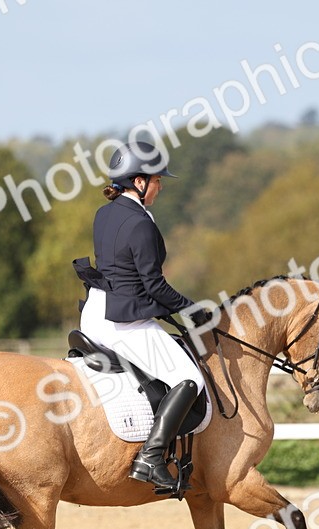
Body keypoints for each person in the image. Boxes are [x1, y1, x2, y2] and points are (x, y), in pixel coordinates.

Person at [73, 141, 212, 493]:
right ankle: (151, 457)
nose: (160, 186)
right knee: (188, 378)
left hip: (95, 313)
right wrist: (191, 309)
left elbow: (126, 276)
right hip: (125, 321)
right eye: (156, 179)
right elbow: (154, 285)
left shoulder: (104, 213)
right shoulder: (141, 224)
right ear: (138, 182)